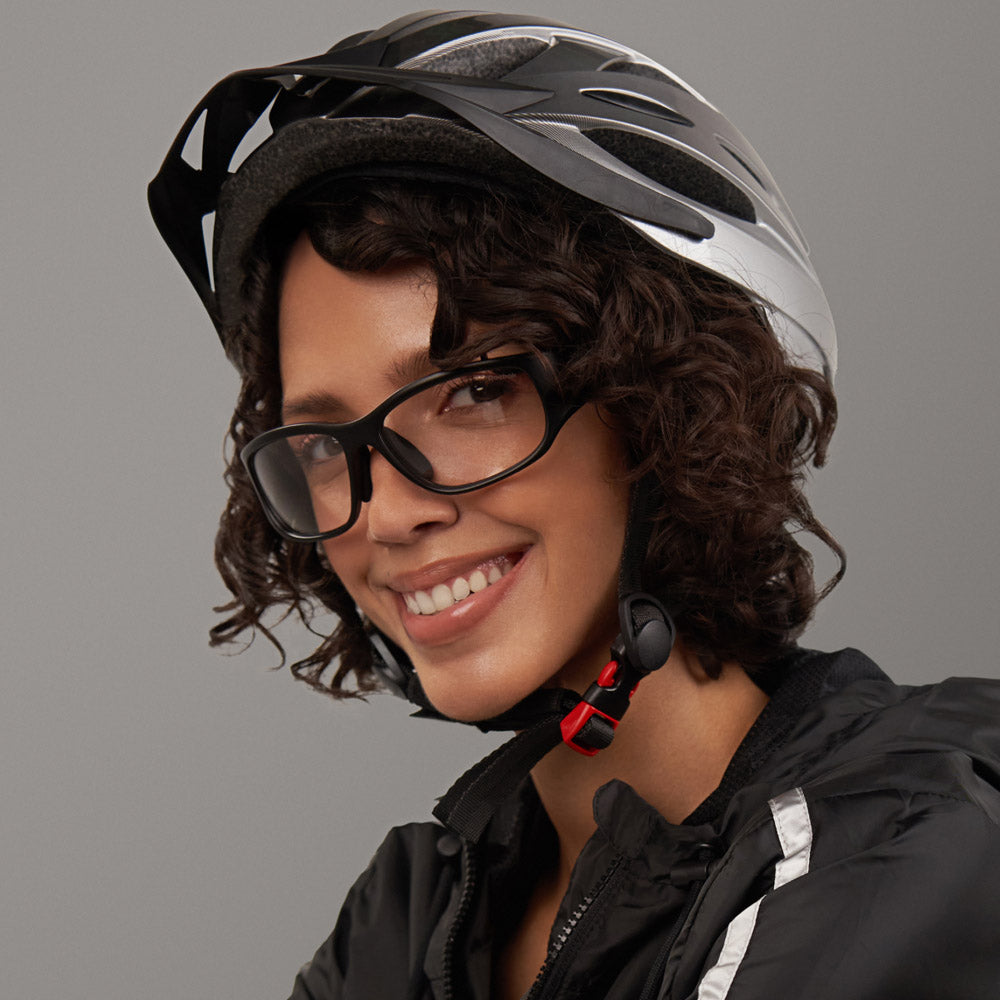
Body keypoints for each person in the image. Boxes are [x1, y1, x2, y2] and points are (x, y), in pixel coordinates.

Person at [149, 11, 1000, 998]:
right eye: (327, 442)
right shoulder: (411, 914)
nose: (383, 516)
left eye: (473, 391)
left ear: (660, 402)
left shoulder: (904, 843)